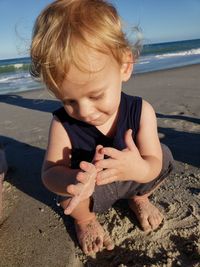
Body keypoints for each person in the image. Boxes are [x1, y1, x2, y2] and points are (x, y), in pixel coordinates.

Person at [30, 0, 174, 255]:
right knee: (68, 200)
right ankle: (85, 221)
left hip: (133, 176)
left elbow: (152, 161)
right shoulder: (63, 123)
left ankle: (139, 198)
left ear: (124, 66)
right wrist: (74, 181)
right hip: (93, 188)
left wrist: (140, 168)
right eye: (69, 100)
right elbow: (49, 172)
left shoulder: (142, 111)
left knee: (164, 158)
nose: (83, 111)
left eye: (95, 95)